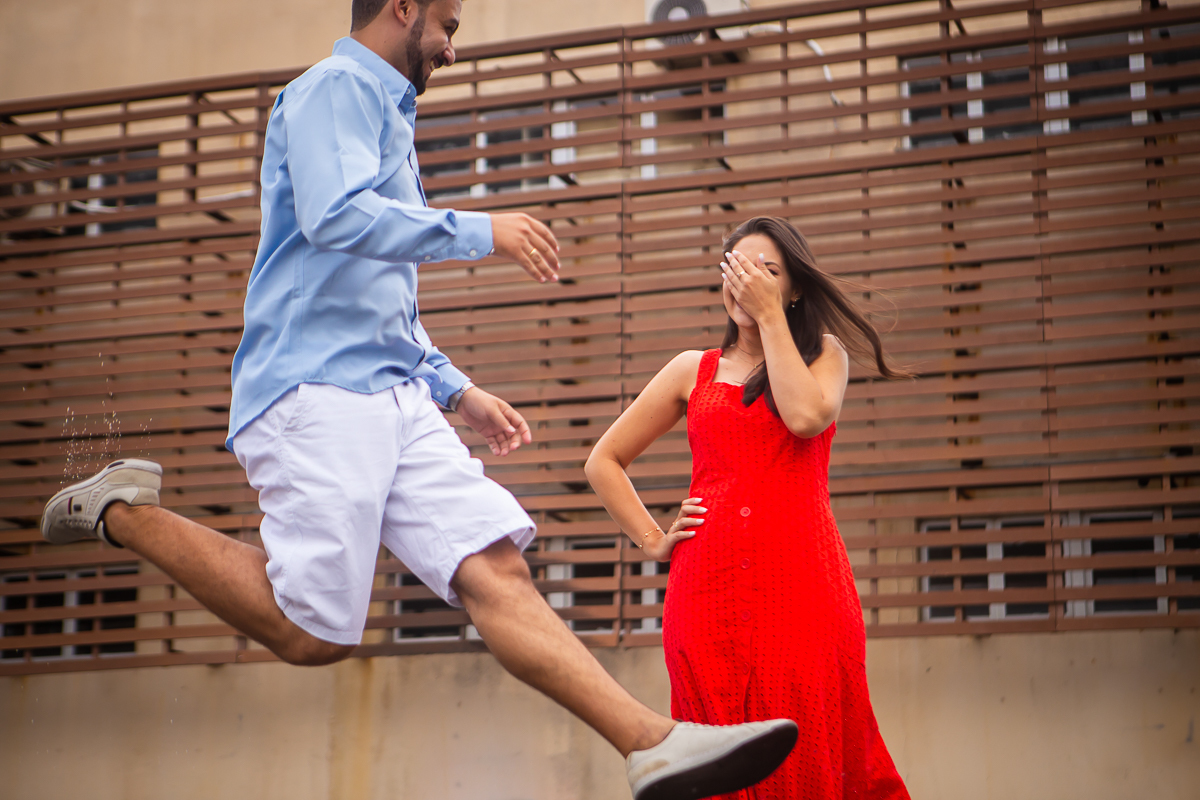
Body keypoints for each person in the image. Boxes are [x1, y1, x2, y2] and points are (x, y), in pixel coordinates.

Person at [38, 3, 800, 798]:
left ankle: (652, 744)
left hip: (397, 397)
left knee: (496, 567)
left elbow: (376, 296)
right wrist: (483, 230)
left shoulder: (391, 120)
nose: (450, 46)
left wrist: (455, 388)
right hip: (315, 389)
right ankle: (124, 510)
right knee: (312, 632)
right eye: (447, 24)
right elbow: (334, 219)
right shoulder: (331, 89)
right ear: (402, 6)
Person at [585, 216, 912, 799]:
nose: (748, 281)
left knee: (806, 741)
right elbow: (603, 461)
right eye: (737, 269)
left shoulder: (824, 356)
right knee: (715, 753)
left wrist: (768, 319)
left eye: (767, 271)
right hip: (705, 593)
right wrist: (653, 539)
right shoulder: (694, 369)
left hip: (803, 587)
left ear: (795, 290)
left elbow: (805, 417)